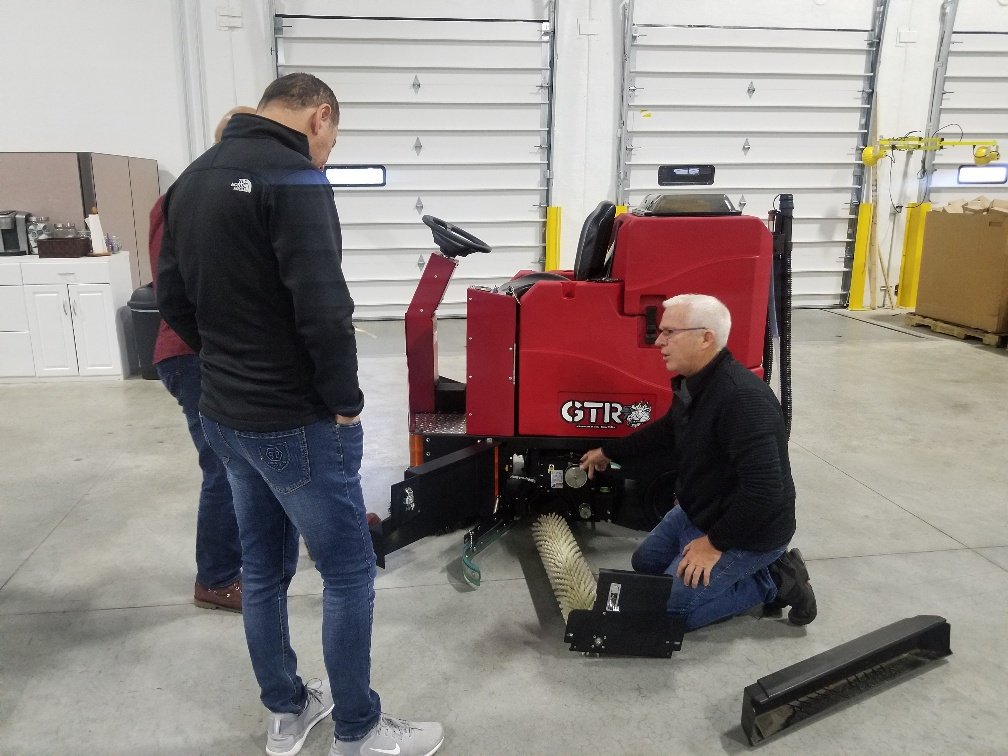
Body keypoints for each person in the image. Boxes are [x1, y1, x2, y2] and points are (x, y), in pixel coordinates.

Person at [157, 73, 444, 756]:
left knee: (262, 569)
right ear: (320, 116)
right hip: (293, 418)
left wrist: (226, 360)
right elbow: (324, 307)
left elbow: (169, 296)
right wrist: (344, 402)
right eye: (332, 141)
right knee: (346, 572)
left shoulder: (192, 178)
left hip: (223, 410)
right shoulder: (296, 179)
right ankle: (358, 729)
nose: (328, 156)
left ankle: (287, 711)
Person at [580, 293, 816, 631]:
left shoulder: (742, 401)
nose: (659, 342)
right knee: (644, 564)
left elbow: (765, 492)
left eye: (670, 332)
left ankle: (776, 580)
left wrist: (713, 544)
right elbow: (665, 432)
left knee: (670, 615)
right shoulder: (696, 384)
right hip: (699, 510)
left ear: (706, 337)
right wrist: (609, 452)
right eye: (660, 331)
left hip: (748, 531)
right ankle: (705, 562)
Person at [150, 106, 255, 613]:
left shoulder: (245, 189)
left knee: (261, 455)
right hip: (194, 354)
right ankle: (215, 578)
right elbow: (173, 285)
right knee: (224, 464)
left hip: (220, 350)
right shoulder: (187, 196)